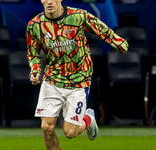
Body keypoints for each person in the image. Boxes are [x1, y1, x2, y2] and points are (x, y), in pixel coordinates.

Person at [27, 0, 128, 149]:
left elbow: (101, 28)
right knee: (47, 128)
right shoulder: (35, 25)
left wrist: (118, 42)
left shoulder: (78, 16)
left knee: (70, 132)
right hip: (52, 79)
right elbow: (33, 52)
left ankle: (88, 119)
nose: (49, 2)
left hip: (78, 80)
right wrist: (35, 70)